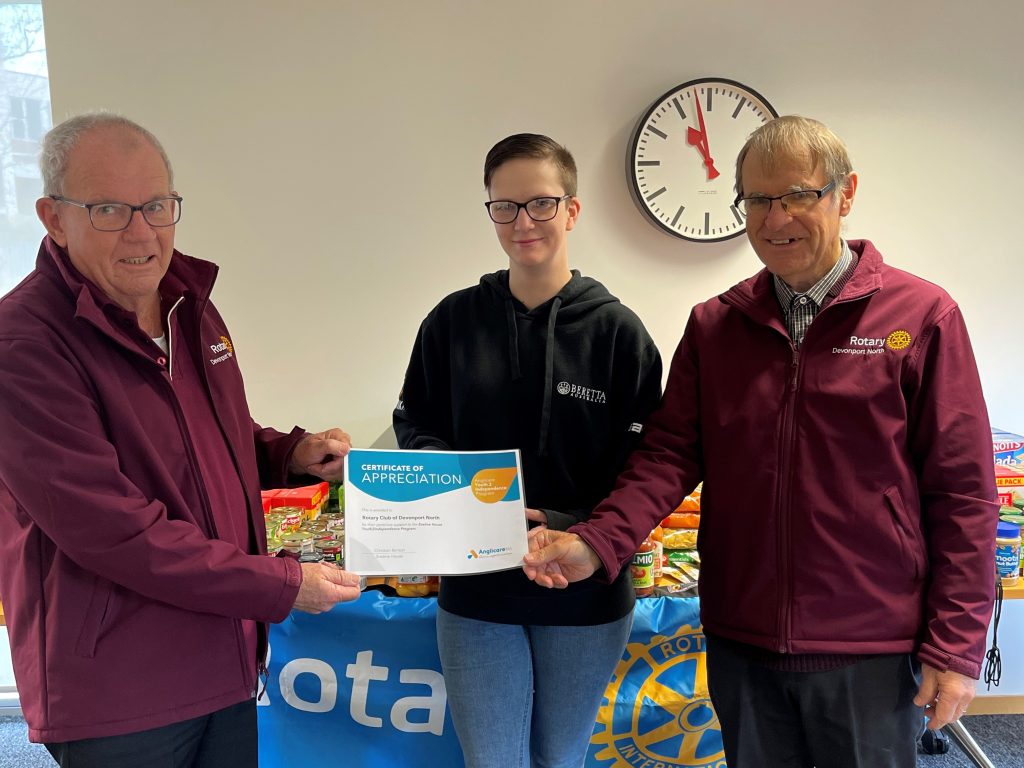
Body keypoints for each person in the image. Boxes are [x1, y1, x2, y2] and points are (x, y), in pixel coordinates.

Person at [522, 115, 997, 768]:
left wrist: (956, 646)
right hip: (743, 643)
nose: (777, 219)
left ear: (845, 193)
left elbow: (963, 494)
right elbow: (665, 457)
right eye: (757, 200)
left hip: (869, 646)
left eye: (798, 194)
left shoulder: (920, 318)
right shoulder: (716, 327)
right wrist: (596, 542)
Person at [0, 113, 362, 768]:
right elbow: (115, 531)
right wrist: (282, 586)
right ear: (54, 217)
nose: (143, 232)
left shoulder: (186, 303)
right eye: (109, 209)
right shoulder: (23, 345)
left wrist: (287, 454)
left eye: (158, 205)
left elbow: (205, 440)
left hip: (221, 655)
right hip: (121, 690)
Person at [393, 133, 662, 767]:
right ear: (489, 212)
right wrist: (471, 500)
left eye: (541, 204)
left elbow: (647, 462)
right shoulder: (451, 322)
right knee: (493, 761)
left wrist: (574, 529)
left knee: (559, 759)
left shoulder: (618, 333)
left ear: (571, 210)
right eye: (504, 206)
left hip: (584, 586)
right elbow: (416, 425)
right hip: (477, 585)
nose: (523, 222)